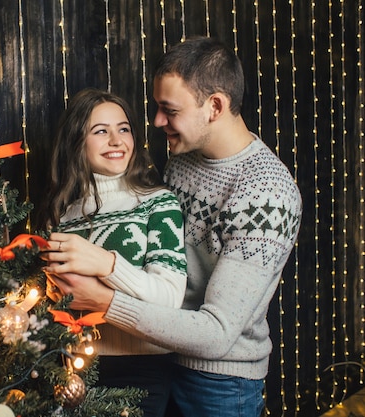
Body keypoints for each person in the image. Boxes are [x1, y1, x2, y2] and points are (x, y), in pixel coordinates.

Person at [45, 37, 303, 417]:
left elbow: (216, 334)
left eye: (169, 110)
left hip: (219, 383)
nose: (156, 122)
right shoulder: (181, 164)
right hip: (160, 361)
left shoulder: (266, 194)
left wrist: (105, 300)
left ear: (214, 106)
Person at [41, 88, 187, 417]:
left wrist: (106, 264)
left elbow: (169, 299)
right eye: (101, 131)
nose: (116, 140)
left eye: (123, 129)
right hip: (71, 370)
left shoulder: (157, 203)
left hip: (141, 371)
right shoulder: (61, 215)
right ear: (76, 141)